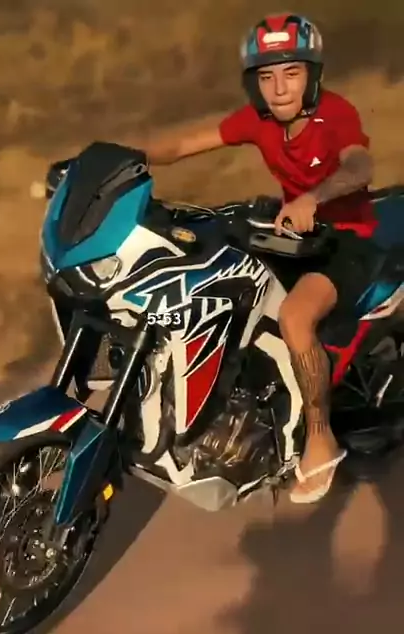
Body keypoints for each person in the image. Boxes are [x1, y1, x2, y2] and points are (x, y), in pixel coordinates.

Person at [137, 13, 377, 503]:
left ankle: (321, 438)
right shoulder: (258, 120)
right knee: (223, 287)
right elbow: (181, 145)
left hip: (346, 240)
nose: (279, 88)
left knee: (294, 317)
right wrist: (113, 157)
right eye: (266, 76)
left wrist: (315, 197)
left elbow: (359, 165)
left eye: (291, 73)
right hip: (291, 236)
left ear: (312, 75)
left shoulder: (336, 114)